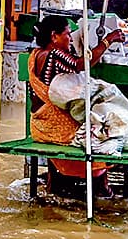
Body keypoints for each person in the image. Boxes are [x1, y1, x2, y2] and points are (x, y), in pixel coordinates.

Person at [27, 14, 110, 182]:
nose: (71, 39)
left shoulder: (36, 54)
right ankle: (101, 186)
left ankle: (55, 181)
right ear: (54, 36)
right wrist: (108, 41)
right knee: (99, 136)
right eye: (67, 34)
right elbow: (81, 64)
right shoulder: (54, 54)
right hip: (54, 127)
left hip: (39, 126)